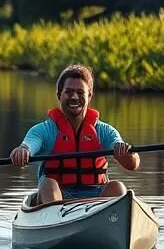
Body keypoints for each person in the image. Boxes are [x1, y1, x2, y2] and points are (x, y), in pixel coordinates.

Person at [9, 63, 138, 205]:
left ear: (89, 95)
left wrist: (128, 153)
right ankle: (56, 220)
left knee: (118, 188)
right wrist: (23, 151)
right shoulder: (43, 130)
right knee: (48, 185)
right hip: (59, 196)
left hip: (96, 197)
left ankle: (109, 219)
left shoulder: (105, 131)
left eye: (80, 92)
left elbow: (132, 164)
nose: (75, 97)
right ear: (59, 95)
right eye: (68, 92)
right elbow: (28, 145)